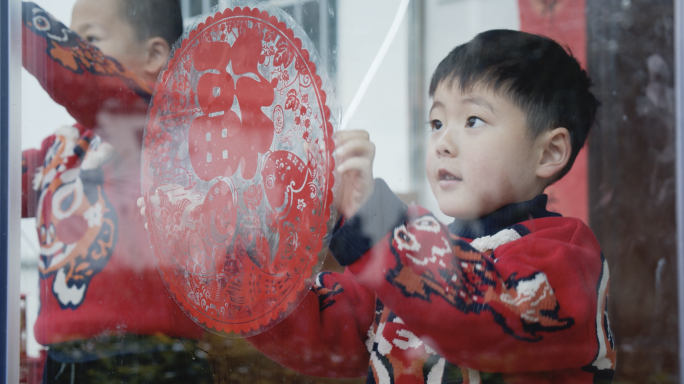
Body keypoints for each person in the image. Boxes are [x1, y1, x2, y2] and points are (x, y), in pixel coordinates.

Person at [245, 30, 617, 383]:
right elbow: (325, 331)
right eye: (437, 122)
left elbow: (473, 313)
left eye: (473, 121)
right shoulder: (411, 264)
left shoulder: (567, 260)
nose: (442, 142)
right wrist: (237, 262)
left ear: (549, 152)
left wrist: (373, 217)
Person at [21, 0, 213, 382]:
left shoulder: (167, 129)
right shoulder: (59, 149)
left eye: (88, 39)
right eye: (71, 39)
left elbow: (91, 84)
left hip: (153, 359)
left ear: (155, 54)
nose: (74, 48)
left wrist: (22, 21)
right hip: (65, 361)